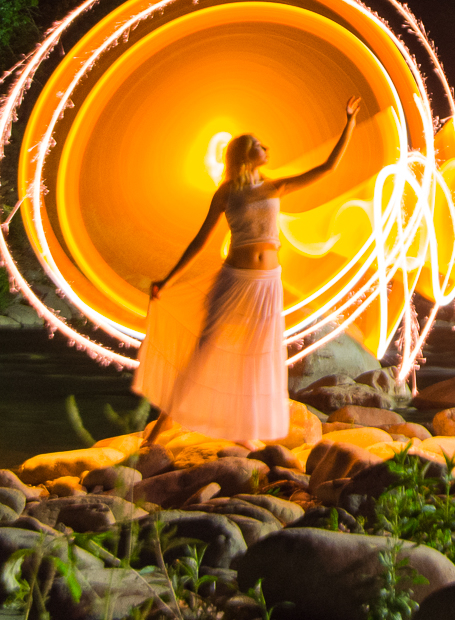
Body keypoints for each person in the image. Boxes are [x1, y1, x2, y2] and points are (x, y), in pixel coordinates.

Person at [134, 96, 362, 447]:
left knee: (257, 356)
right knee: (206, 348)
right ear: (242, 154)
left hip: (267, 284)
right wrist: (168, 279)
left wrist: (348, 123)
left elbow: (328, 168)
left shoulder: (275, 186)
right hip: (233, 279)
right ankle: (160, 428)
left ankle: (245, 433)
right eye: (257, 145)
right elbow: (199, 242)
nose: (265, 148)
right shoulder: (226, 192)